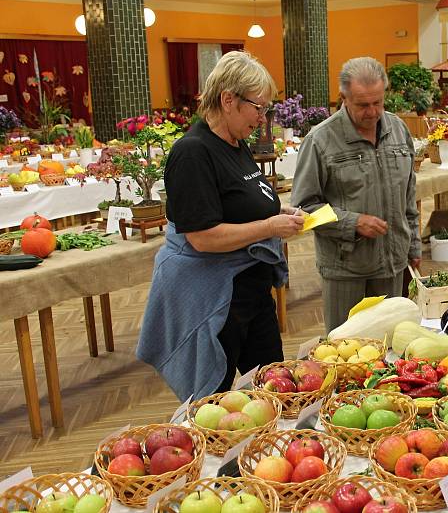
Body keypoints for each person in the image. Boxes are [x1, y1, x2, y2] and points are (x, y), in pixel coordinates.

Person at [137, 51, 305, 400]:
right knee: (214, 404)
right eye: (258, 108)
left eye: (266, 109)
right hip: (216, 301)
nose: (263, 118)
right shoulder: (192, 153)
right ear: (228, 99)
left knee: (277, 391)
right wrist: (270, 226)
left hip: (251, 295)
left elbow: (242, 203)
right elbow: (202, 237)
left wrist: (280, 211)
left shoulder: (236, 144)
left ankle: (267, 453)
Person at [291, 56, 421, 333]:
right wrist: (352, 222)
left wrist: (414, 246)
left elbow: (408, 197)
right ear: (344, 98)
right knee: (345, 353)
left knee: (392, 351)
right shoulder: (320, 140)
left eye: (378, 102)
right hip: (346, 271)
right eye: (363, 105)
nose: (373, 112)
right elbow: (303, 208)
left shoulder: (398, 130)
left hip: (394, 266)